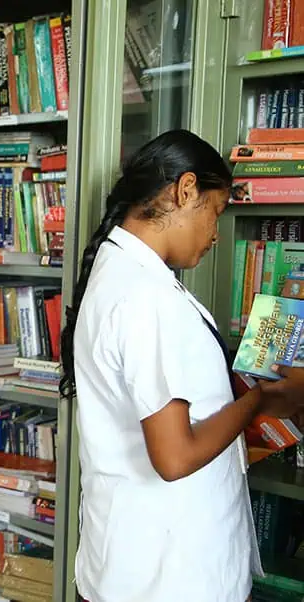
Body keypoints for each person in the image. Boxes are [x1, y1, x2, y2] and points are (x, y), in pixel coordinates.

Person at [59, 129, 304, 602]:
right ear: (184, 189)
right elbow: (174, 457)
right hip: (166, 578)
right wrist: (259, 401)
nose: (215, 234)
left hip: (141, 564)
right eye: (215, 213)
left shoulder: (129, 277)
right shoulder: (143, 296)